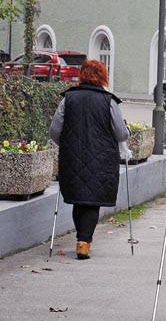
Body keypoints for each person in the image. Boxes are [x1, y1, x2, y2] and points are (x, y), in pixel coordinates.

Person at [49, 59, 130, 260]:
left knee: (79, 199)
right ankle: (84, 242)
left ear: (82, 75)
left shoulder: (68, 98)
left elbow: (54, 131)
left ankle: (82, 239)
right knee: (92, 201)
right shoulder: (109, 101)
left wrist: (67, 144)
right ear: (103, 76)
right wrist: (127, 131)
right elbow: (121, 133)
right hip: (102, 160)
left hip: (72, 157)